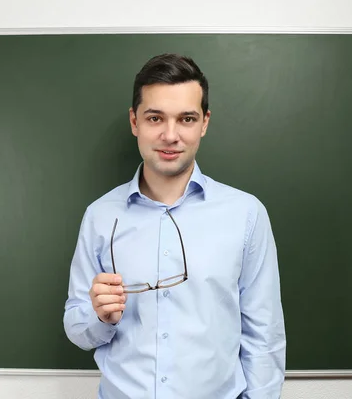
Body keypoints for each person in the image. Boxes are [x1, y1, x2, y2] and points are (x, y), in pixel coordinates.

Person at [63, 53, 286, 399]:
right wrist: (98, 316)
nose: (170, 135)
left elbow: (264, 337)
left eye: (186, 118)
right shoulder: (100, 216)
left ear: (204, 123)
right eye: (155, 118)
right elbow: (77, 329)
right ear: (135, 122)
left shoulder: (246, 214)